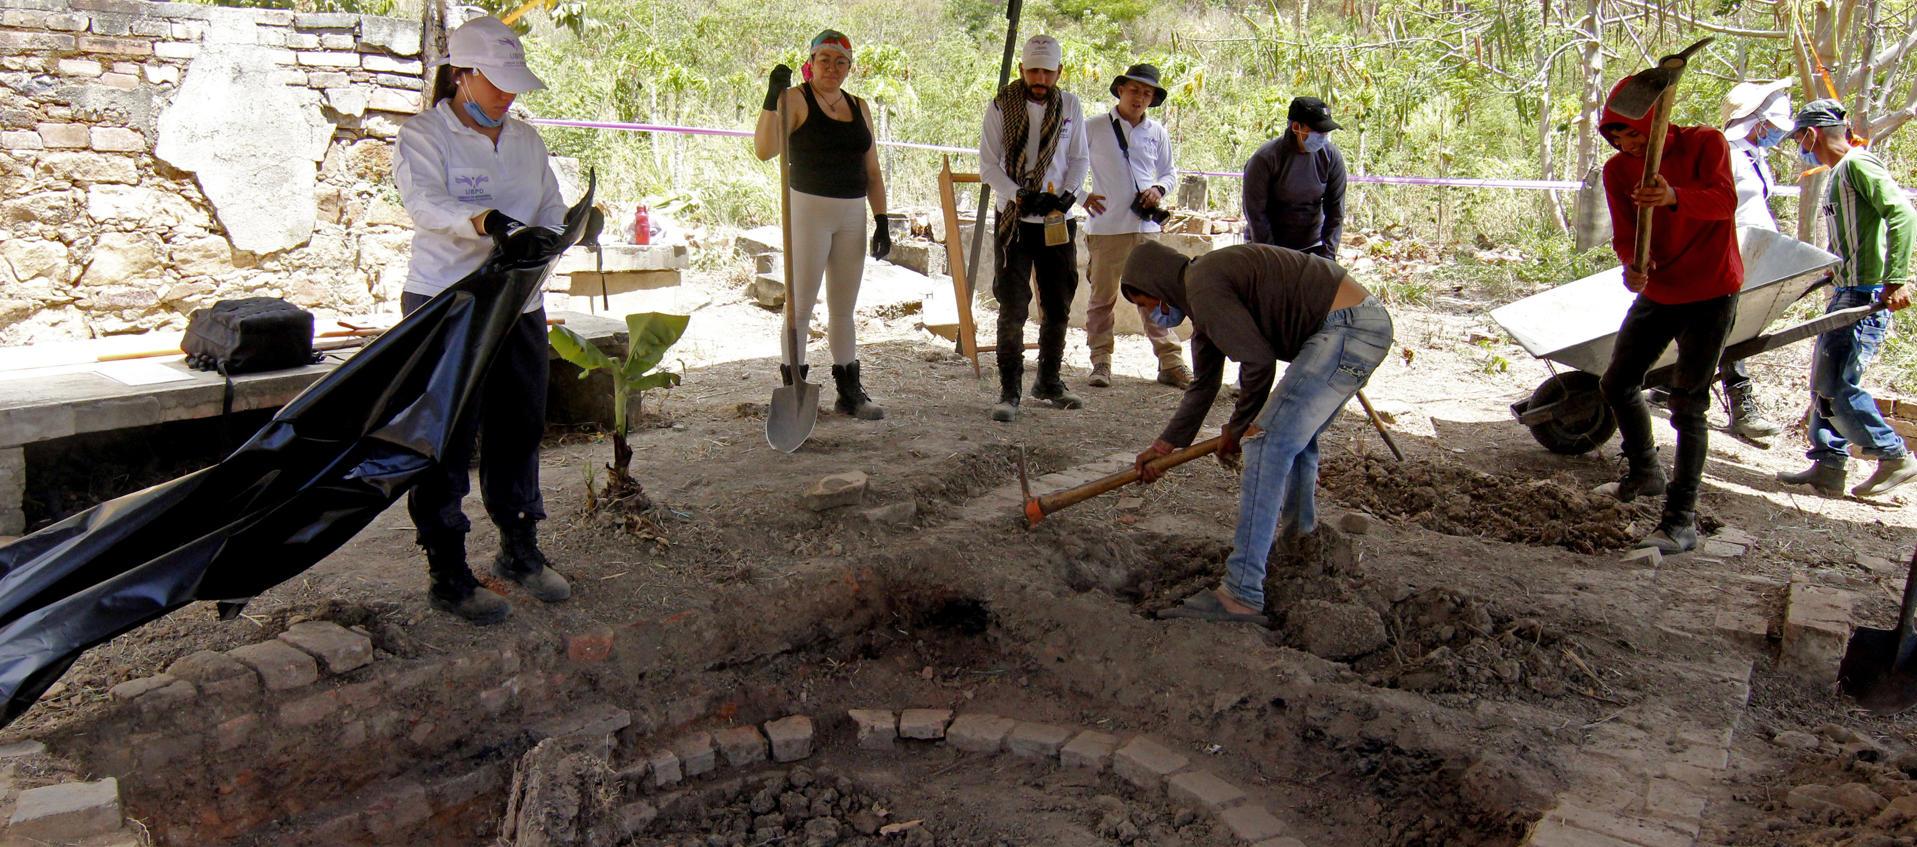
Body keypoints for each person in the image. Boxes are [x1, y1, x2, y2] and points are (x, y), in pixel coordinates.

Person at [392, 16, 572, 624]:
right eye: (495, 82)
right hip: (448, 303)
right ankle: (448, 569)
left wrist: (556, 233)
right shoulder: (423, 135)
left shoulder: (525, 140)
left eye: (513, 83)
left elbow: (549, 201)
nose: (507, 95)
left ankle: (519, 546)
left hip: (518, 302)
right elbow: (423, 202)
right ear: (462, 75)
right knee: (444, 436)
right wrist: (486, 221)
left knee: (518, 425)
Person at [1125, 240, 1392, 623]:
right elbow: (1204, 385)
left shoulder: (1203, 285)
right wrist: (1164, 447)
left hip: (1348, 327)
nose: (1150, 313)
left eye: (1146, 302)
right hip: (1359, 325)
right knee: (1294, 443)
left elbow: (1258, 362)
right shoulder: (1202, 295)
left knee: (1265, 444)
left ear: (1159, 284)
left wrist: (1240, 428)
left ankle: (1240, 593)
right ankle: (1299, 548)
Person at [1590, 75, 1742, 554]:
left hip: (1713, 289)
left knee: (1688, 404)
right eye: (1617, 138)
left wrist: (1674, 196)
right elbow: (1624, 234)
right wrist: (1632, 267)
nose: (1627, 145)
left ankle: (1680, 520)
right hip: (1663, 289)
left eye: (1634, 135)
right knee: (1616, 382)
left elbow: (1724, 201)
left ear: (1653, 124)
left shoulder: (1705, 143)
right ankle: (1644, 473)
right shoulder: (1618, 172)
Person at [1775, 99, 1917, 498]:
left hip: (1865, 292)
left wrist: (1895, 279)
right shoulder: (1840, 172)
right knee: (1822, 382)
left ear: (1812, 133)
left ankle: (1894, 456)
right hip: (1846, 288)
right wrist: (1832, 268)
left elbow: (1903, 214)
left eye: (1800, 136)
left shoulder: (1858, 164)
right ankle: (1828, 465)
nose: (1799, 144)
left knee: (1840, 386)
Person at [753, 29, 889, 420]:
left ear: (849, 67)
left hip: (852, 212)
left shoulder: (859, 106)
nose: (832, 67)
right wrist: (770, 98)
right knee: (799, 306)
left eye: (840, 61)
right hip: (808, 208)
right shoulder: (794, 98)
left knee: (843, 308)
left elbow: (873, 170)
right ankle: (794, 387)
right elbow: (764, 150)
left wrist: (881, 219)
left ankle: (850, 390)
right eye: (824, 60)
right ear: (810, 63)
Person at [978, 34, 1090, 423]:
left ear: (1059, 72)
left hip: (1059, 220)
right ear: (1022, 70)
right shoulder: (1000, 106)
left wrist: (1069, 196)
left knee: (1058, 302)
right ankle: (1010, 390)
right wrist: (1019, 195)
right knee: (1012, 306)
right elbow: (988, 166)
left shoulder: (1071, 105)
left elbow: (1079, 159)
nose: (1040, 78)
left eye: (1047, 71)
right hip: (1015, 220)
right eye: (1033, 70)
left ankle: (1049, 380)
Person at [1673, 80, 1794, 440]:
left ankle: (1670, 384)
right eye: (1770, 124)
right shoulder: (1723, 152)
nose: (1774, 132)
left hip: (1746, 253)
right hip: (1725, 252)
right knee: (1730, 329)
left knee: (1727, 327)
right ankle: (1741, 406)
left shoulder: (1753, 157)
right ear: (1754, 120)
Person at [1082, 63, 1189, 390]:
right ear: (1120, 90)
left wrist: (1158, 190)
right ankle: (1101, 362)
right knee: (1103, 298)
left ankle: (1170, 363)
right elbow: (1067, 166)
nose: (1140, 97)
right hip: (1105, 227)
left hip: (1146, 228)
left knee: (1155, 298)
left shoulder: (1156, 132)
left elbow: (1169, 172)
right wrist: (1082, 196)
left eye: (1147, 93)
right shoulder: (1093, 127)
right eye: (1134, 90)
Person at [1242, 97, 1346, 259]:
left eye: (1326, 132)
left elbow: (1335, 211)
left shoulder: (1331, 157)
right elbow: (1256, 215)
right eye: (1317, 131)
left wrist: (1328, 257)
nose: (1323, 136)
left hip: (1312, 247)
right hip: (1267, 247)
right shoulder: (1265, 159)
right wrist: (1271, 258)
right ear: (1296, 127)